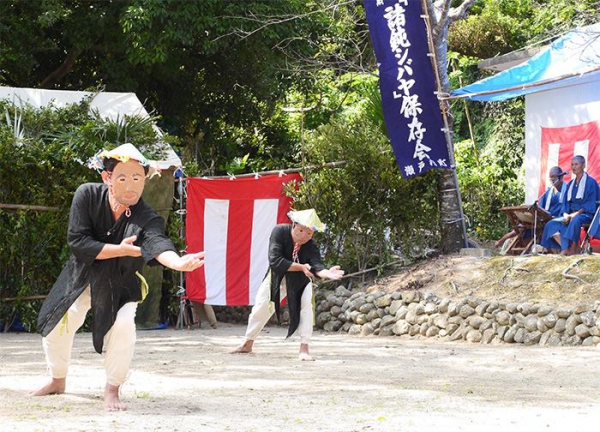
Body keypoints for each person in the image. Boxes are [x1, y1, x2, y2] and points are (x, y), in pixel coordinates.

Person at [31, 143, 205, 411]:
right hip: (81, 275)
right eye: (122, 177)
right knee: (57, 326)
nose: (130, 183)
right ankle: (57, 379)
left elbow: (157, 242)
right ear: (107, 177)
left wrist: (178, 262)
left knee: (123, 325)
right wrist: (118, 249)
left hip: (120, 281)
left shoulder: (146, 216)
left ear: (145, 179)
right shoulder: (87, 195)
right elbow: (78, 241)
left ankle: (112, 389)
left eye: (137, 177)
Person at [231, 209, 344, 361]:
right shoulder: (279, 231)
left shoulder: (310, 245)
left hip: (301, 280)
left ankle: (304, 348)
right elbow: (275, 260)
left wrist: (325, 273)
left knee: (306, 308)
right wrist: (301, 267)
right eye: (301, 230)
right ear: (294, 225)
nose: (304, 236)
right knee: (262, 306)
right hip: (277, 276)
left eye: (309, 233)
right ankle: (247, 343)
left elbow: (316, 265)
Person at [494, 166, 567, 250]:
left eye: (554, 177)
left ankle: (565, 249)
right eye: (551, 178)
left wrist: (557, 217)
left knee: (550, 227)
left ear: (561, 177)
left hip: (559, 218)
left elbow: (566, 208)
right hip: (545, 218)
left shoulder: (567, 190)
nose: (552, 180)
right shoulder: (548, 192)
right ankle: (500, 242)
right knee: (522, 226)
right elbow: (542, 208)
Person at [540, 155, 600, 255]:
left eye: (576, 164)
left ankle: (574, 247)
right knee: (551, 223)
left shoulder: (591, 183)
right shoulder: (571, 184)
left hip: (586, 214)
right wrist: (565, 214)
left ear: (583, 165)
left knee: (575, 220)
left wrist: (572, 215)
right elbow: (565, 203)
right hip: (570, 215)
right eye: (572, 164)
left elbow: (589, 205)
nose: (573, 167)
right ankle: (562, 248)